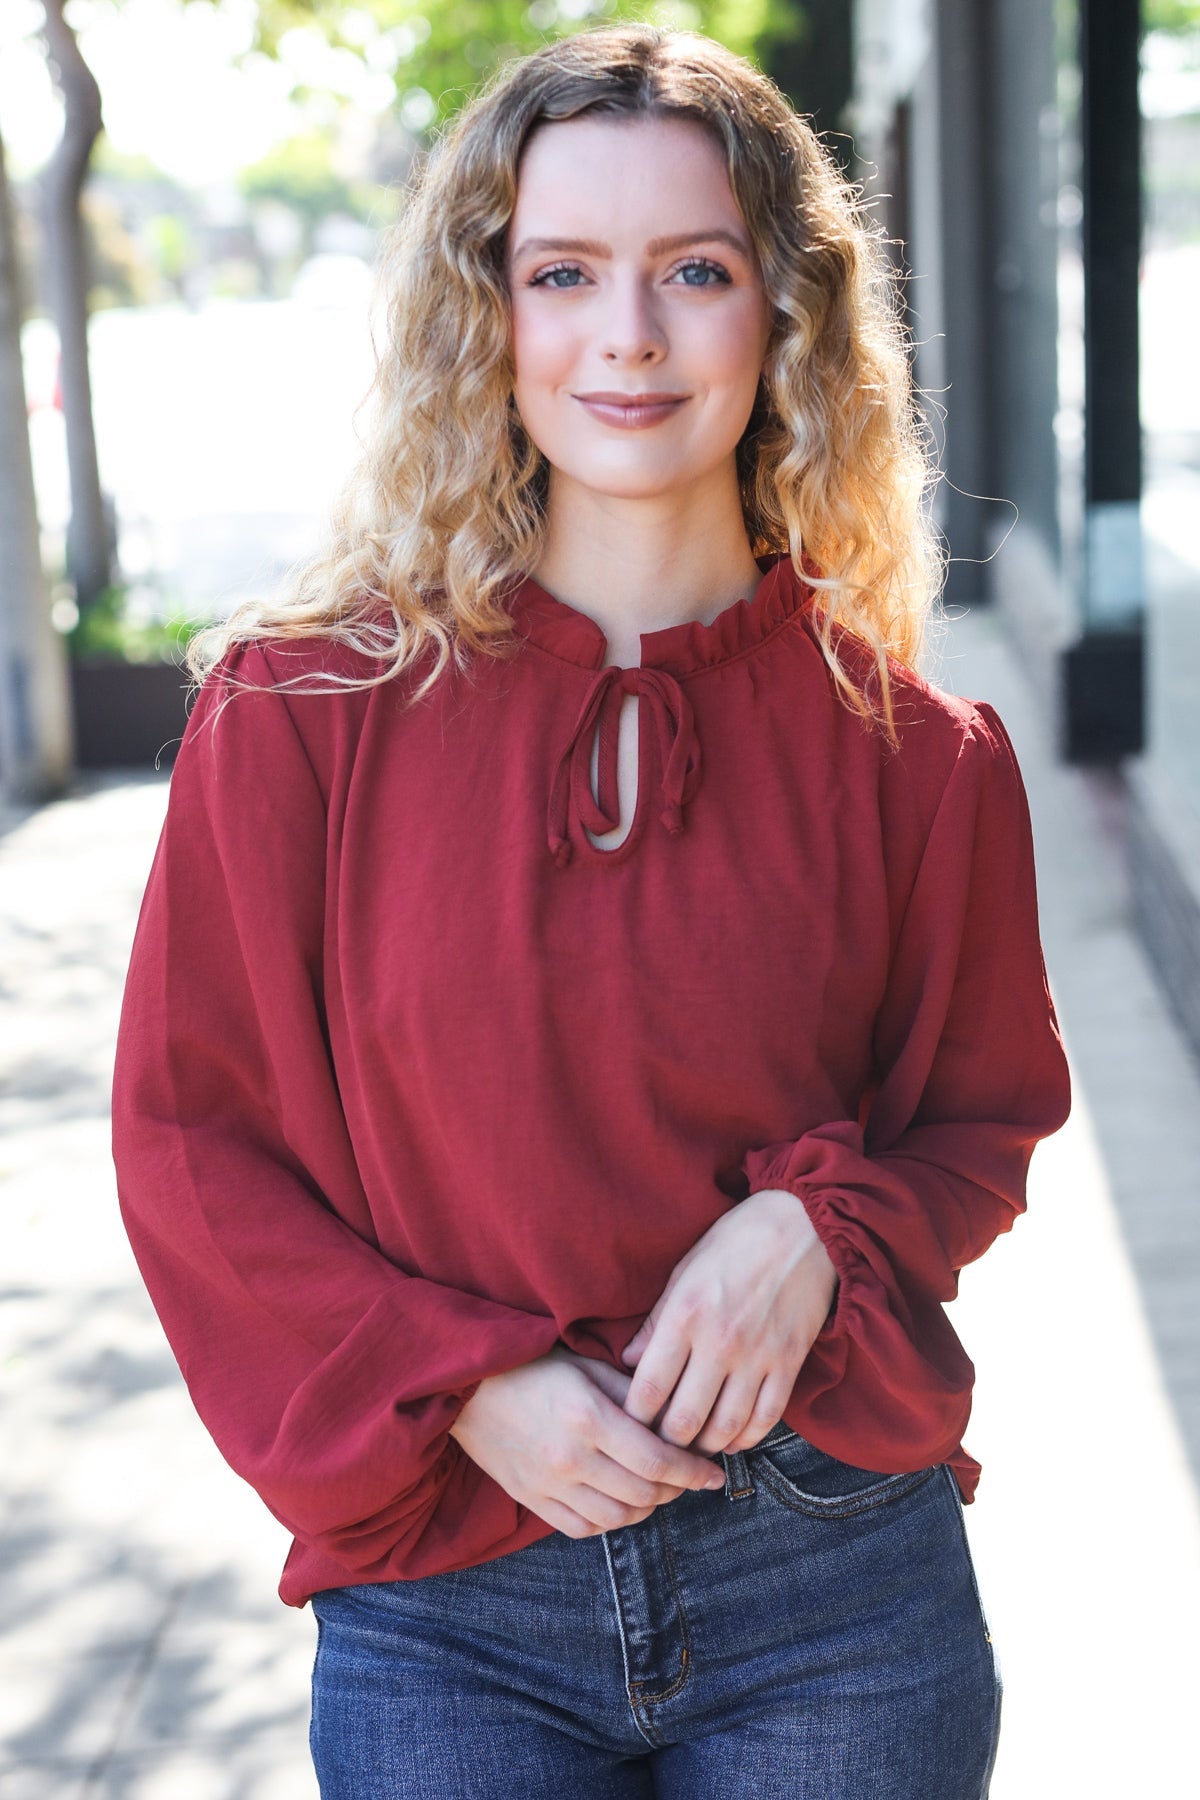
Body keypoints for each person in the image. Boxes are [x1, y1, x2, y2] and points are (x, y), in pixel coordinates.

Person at [110, 21, 1072, 1799]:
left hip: (836, 1583)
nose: (627, 335)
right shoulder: (299, 719)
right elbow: (195, 1149)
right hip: (451, 1595)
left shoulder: (923, 757)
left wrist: (819, 1232)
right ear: (492, 316)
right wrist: (464, 1380)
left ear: (783, 316)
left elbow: (979, 1123)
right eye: (564, 272)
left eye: (693, 270)